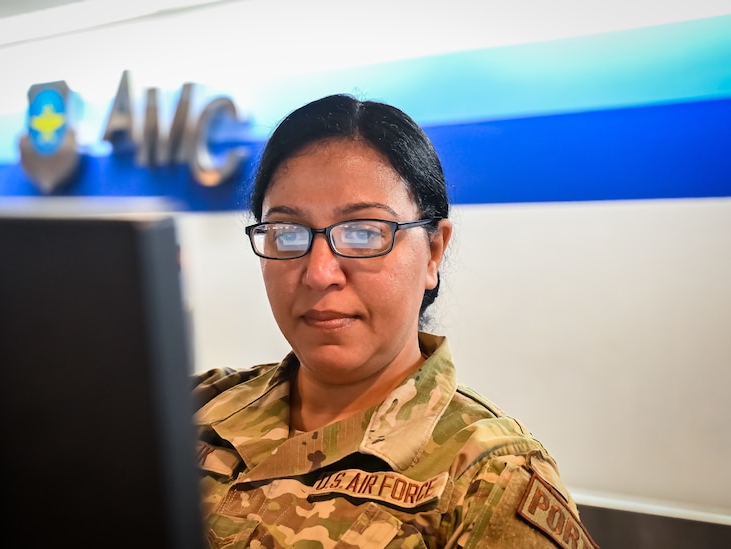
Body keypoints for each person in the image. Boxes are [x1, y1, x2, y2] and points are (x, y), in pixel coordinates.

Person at [193, 94, 598, 548]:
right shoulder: (196, 409)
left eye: (364, 232)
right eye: (288, 233)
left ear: (434, 252)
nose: (319, 272)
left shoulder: (488, 479)